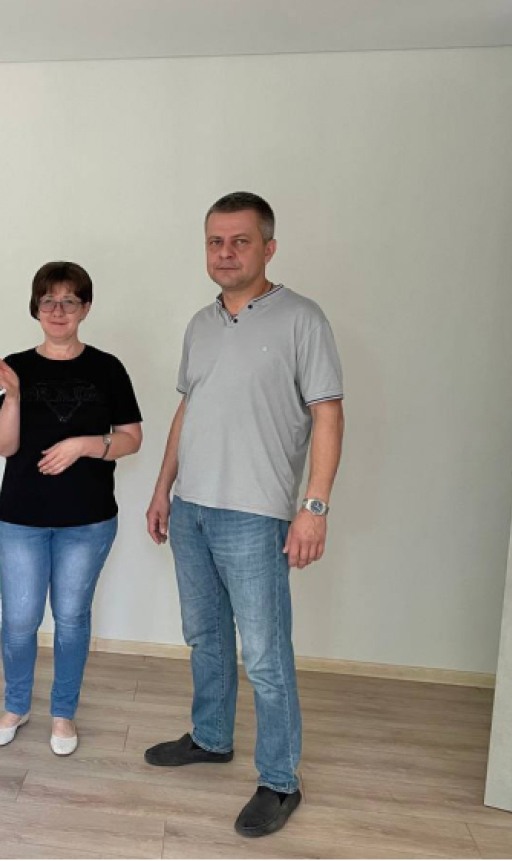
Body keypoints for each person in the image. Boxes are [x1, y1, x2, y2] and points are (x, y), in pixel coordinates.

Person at [144, 192, 344, 837]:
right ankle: (210, 738)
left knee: (264, 655)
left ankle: (280, 780)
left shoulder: (302, 319)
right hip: (192, 508)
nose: (225, 253)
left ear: (268, 247)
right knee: (204, 637)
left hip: (256, 515)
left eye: (240, 241)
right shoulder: (200, 324)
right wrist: (163, 488)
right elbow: (188, 409)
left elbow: (328, 414)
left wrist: (313, 507)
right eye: (215, 241)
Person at [0, 261, 142, 757]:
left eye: (69, 301)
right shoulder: (14, 368)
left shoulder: (108, 368)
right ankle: (16, 706)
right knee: (19, 620)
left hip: (88, 520)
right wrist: (13, 396)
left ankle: (63, 713)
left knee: (71, 618)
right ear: (36, 308)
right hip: (21, 518)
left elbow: (131, 439)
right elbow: (3, 446)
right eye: (48, 300)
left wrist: (83, 445)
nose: (58, 310)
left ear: (85, 308)